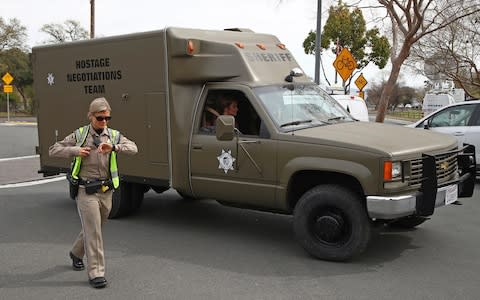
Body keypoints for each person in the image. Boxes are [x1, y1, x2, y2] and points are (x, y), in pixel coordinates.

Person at [49, 97, 137, 289]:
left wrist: (114, 147)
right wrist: (75, 150)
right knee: (94, 231)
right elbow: (53, 150)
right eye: (100, 118)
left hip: (106, 191)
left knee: (95, 227)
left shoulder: (113, 136)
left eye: (107, 118)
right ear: (90, 116)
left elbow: (134, 148)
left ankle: (76, 253)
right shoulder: (80, 135)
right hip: (86, 191)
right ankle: (96, 272)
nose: (104, 122)